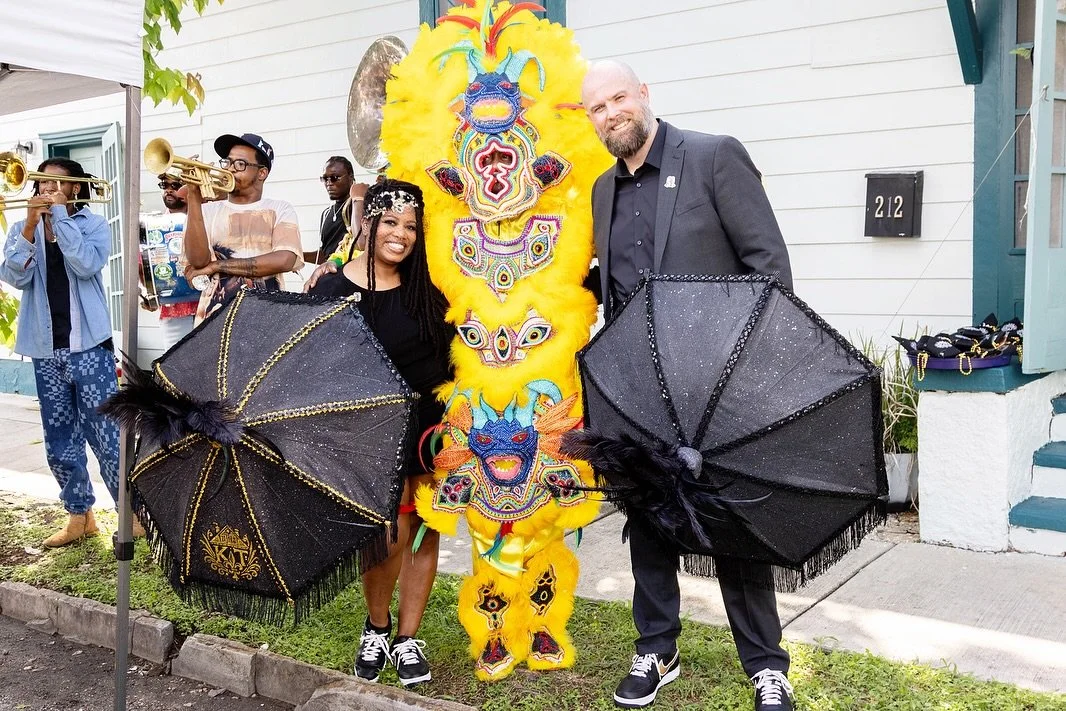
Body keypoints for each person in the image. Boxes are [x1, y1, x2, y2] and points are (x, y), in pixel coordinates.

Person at [582, 60, 796, 711]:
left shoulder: (712, 157)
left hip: (718, 385)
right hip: (641, 390)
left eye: (618, 97)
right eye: (597, 107)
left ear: (644, 94)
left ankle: (766, 664)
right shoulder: (600, 189)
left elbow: (771, 269)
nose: (610, 112)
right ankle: (656, 646)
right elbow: (619, 284)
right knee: (647, 517)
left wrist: (745, 366)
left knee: (730, 519)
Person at [309, 179, 451, 687]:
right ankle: (377, 625)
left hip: (429, 426)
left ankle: (409, 638)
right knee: (384, 533)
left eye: (411, 226)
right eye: (390, 221)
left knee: (424, 529)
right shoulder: (330, 287)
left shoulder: (429, 287)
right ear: (366, 222)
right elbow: (316, 367)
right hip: (366, 430)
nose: (401, 234)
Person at [0, 158, 121, 547]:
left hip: (90, 345)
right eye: (41, 184)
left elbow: (86, 265)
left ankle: (130, 512)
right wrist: (34, 226)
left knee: (104, 432)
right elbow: (14, 275)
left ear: (75, 189)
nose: (45, 191)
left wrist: (59, 219)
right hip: (44, 347)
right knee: (59, 436)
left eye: (55, 185)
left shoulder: (93, 225)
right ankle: (79, 516)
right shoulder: (24, 227)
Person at [182, 133, 303, 324]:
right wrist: (193, 196)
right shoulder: (205, 211)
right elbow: (198, 261)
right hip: (213, 321)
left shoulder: (280, 209)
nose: (230, 169)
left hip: (268, 318)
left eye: (240, 164)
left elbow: (285, 259)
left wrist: (217, 266)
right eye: (227, 162)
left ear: (261, 173)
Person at [139, 174, 199, 348]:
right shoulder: (151, 225)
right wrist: (148, 292)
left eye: (176, 184)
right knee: (175, 369)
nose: (169, 189)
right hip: (173, 311)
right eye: (164, 185)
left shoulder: (207, 216)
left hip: (208, 306)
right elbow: (142, 265)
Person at [305, 156, 355, 265]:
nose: (329, 183)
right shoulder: (326, 213)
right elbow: (326, 255)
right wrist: (299, 256)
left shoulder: (359, 207)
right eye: (325, 178)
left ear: (350, 177)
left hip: (352, 277)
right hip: (332, 276)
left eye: (334, 177)